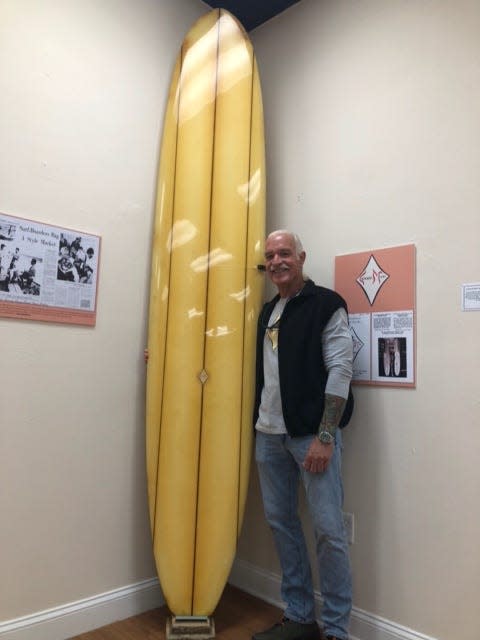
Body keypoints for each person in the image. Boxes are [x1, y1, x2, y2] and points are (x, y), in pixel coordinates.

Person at [252, 230, 354, 640]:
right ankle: (298, 616)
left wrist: (324, 438)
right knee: (281, 524)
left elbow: (341, 371)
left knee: (329, 531)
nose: (276, 261)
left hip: (310, 437)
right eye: (270, 255)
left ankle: (335, 630)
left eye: (285, 254)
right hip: (268, 435)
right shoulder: (267, 311)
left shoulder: (327, 304)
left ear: (301, 257)